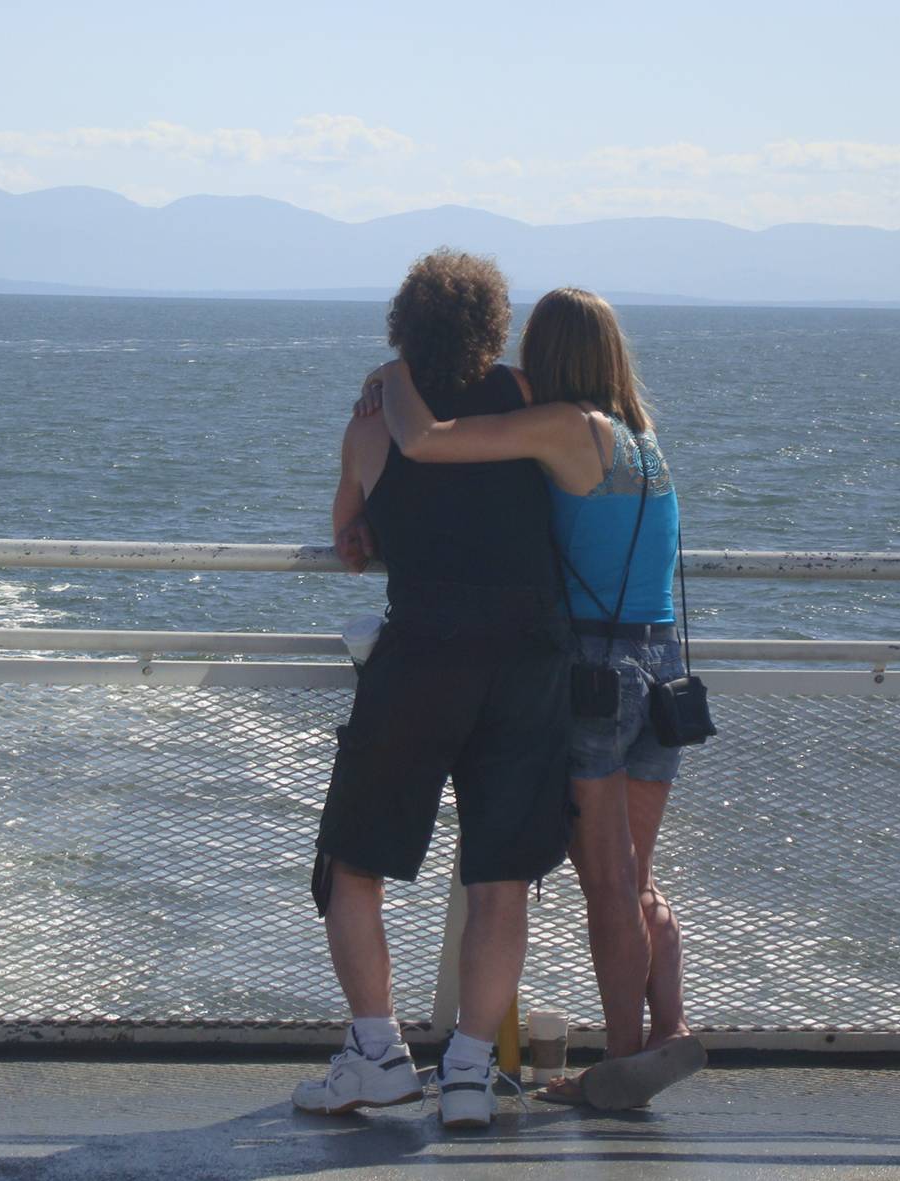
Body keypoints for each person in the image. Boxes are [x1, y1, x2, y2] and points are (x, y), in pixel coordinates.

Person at [355, 286, 707, 1110]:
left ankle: (621, 1063)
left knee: (608, 884)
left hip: (595, 672)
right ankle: (672, 1030)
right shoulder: (641, 440)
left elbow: (428, 440)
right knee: (640, 876)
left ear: (549, 355)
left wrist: (395, 371)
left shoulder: (569, 427)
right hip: (663, 667)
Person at [297, 250, 573, 1131]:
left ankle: (376, 1054)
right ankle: (466, 1072)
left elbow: (347, 532)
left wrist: (377, 523)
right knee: (500, 874)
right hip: (527, 663)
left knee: (353, 860)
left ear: (399, 329)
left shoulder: (375, 424)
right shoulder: (531, 401)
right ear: (494, 326)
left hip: (421, 658)